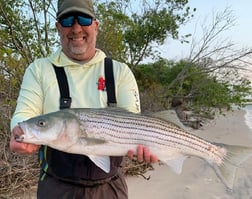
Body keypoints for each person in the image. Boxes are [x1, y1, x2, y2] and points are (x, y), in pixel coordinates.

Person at [9, 0, 157, 198]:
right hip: (56, 187)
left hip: (110, 188)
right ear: (58, 27)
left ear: (95, 25)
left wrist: (146, 149)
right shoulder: (39, 69)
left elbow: (133, 120)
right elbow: (24, 113)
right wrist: (18, 130)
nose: (76, 28)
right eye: (68, 20)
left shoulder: (119, 71)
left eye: (84, 19)